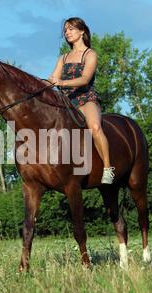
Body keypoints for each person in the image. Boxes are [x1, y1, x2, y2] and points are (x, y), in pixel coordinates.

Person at [49, 17, 115, 184]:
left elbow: (85, 79)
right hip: (66, 102)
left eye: (71, 29)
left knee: (94, 127)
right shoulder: (63, 58)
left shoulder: (90, 54)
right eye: (65, 30)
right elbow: (52, 80)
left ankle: (108, 168)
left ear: (82, 31)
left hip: (85, 99)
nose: (67, 32)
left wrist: (62, 83)